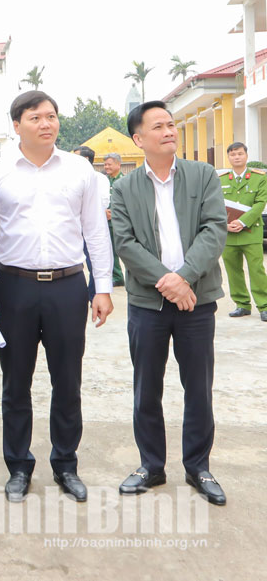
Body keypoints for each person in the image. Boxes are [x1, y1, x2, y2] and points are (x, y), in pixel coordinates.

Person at [0, 90, 113, 504]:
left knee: (67, 381)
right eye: (35, 117)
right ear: (17, 125)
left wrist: (102, 287)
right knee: (15, 382)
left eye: (51, 116)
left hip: (68, 287)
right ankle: (18, 466)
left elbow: (95, 231)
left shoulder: (79, 170)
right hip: (13, 287)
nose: (46, 123)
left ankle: (66, 464)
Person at [112, 101, 227, 505]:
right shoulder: (124, 187)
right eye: (158, 126)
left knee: (199, 387)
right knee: (147, 389)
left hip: (197, 300)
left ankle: (198, 467)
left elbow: (214, 229)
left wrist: (185, 277)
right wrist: (167, 281)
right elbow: (125, 243)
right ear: (138, 138)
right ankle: (151, 465)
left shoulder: (202, 174)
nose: (169, 131)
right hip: (148, 304)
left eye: (171, 124)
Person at [219, 141, 267, 321]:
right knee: (233, 270)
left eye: (240, 153)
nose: (236, 157)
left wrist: (242, 221)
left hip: (251, 232)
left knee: (256, 270)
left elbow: (260, 203)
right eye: (233, 154)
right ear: (228, 157)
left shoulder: (259, 177)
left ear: (246, 156)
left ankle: (264, 305)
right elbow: (215, 204)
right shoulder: (221, 179)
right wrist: (225, 224)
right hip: (229, 234)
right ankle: (242, 304)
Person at [77, 146, 112, 301]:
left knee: (94, 264)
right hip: (74, 228)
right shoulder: (70, 177)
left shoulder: (99, 178)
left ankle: (93, 296)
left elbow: (103, 203)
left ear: (85, 159)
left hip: (90, 226)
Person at [103, 152, 126, 286]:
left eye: (109, 164)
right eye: (105, 164)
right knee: (110, 250)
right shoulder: (104, 181)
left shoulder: (124, 180)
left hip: (120, 222)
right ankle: (117, 276)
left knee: (125, 249)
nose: (106, 167)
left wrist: (115, 213)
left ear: (118, 164)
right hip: (107, 222)